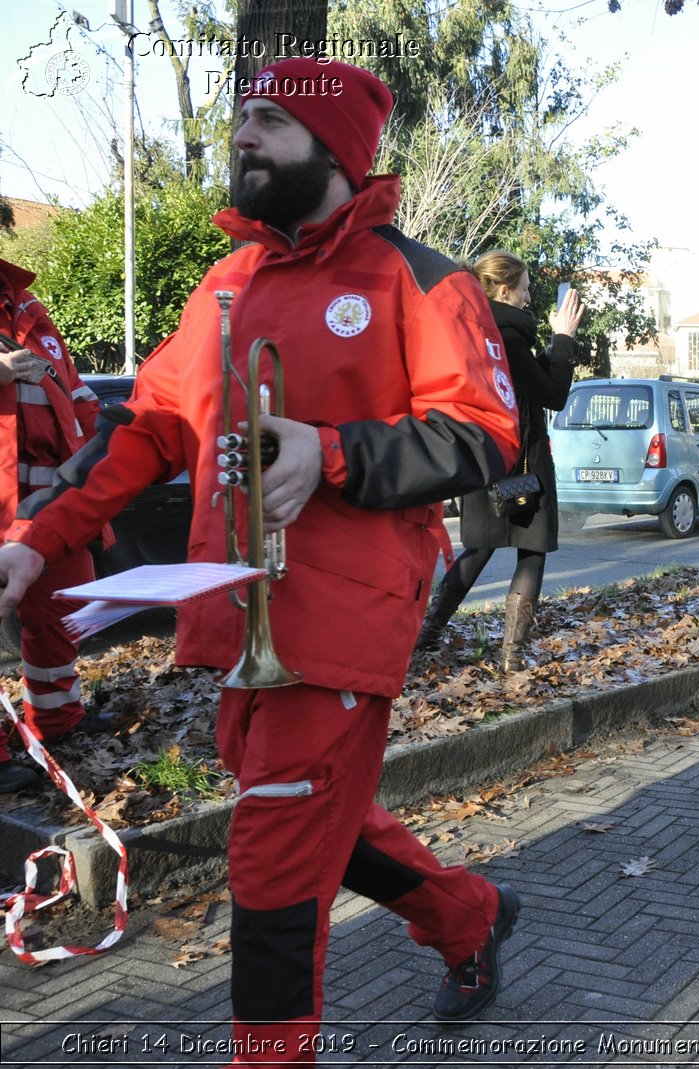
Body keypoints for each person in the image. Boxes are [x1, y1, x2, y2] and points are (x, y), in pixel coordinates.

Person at [0, 59, 524, 1059]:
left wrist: (328, 450)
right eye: (242, 118)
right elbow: (144, 428)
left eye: (270, 122)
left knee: (274, 847)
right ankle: (467, 915)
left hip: (342, 609)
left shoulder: (422, 277)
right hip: (236, 610)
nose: (243, 137)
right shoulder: (224, 283)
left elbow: (483, 437)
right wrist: (35, 538)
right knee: (308, 808)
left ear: (333, 152)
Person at [415, 252, 581, 669]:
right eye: (524, 288)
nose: (529, 297)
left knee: (479, 547)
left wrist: (545, 352)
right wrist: (563, 340)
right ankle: (512, 653)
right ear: (505, 290)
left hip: (483, 456)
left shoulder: (479, 329)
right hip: (523, 459)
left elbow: (523, 382)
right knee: (532, 551)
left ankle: (427, 633)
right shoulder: (508, 334)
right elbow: (552, 395)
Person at [0, 258, 111, 794]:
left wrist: (113, 446)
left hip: (48, 506)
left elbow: (76, 392)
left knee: (63, 610)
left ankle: (57, 721)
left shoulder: (29, 313)